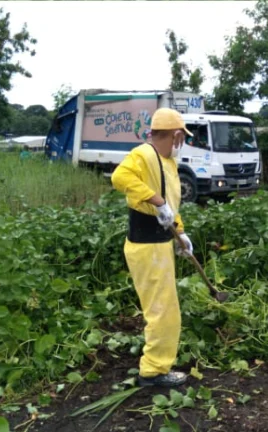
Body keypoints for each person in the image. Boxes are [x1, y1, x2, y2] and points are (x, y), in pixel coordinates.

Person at [111, 108, 195, 388]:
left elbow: (170, 205)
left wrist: (180, 233)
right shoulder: (145, 155)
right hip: (146, 245)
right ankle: (153, 371)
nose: (180, 142)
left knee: (165, 307)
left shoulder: (165, 161)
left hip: (160, 244)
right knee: (162, 310)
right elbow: (120, 178)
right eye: (180, 137)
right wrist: (156, 201)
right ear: (175, 134)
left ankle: (156, 365)